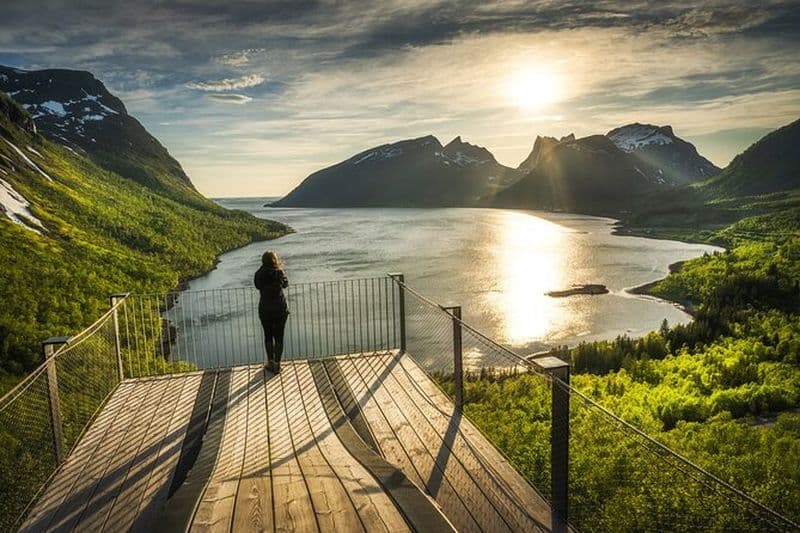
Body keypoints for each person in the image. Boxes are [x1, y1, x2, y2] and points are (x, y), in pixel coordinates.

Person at [254, 250, 289, 372]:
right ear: (275, 260)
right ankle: (278, 365)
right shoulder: (279, 272)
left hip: (265, 309)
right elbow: (286, 284)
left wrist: (263, 267)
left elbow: (257, 285)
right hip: (280, 309)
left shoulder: (259, 274)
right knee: (279, 337)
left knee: (268, 336)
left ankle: (270, 362)